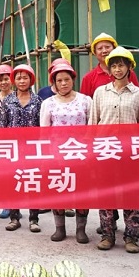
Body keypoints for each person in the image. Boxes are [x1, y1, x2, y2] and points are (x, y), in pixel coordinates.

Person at [80, 33, 139, 238]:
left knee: (131, 191)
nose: (117, 69)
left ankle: (132, 233)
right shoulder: (98, 89)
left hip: (128, 150)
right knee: (106, 191)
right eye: (114, 66)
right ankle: (107, 233)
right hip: (105, 148)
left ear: (129, 67)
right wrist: (90, 147)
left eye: (121, 65)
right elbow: (92, 120)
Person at [39, 61, 91, 244]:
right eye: (59, 80)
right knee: (58, 189)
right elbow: (44, 131)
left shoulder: (85, 100)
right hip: (57, 155)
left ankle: (81, 229)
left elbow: (92, 127)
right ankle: (59, 228)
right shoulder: (48, 103)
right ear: (54, 83)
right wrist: (45, 156)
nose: (63, 83)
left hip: (80, 155)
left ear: (73, 80)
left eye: (66, 79)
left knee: (82, 192)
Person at [0, 64, 43, 233]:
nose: (22, 81)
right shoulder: (8, 101)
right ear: (14, 80)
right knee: (13, 182)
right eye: (18, 78)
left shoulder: (38, 101)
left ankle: (34, 219)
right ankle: (14, 218)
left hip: (32, 149)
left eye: (25, 77)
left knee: (33, 181)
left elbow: (42, 125)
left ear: (31, 79)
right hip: (13, 149)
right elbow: (2, 125)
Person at [0, 64, 15, 219]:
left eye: (6, 79)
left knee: (14, 174)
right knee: (3, 175)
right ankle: (6, 204)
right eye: (0, 80)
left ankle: (14, 205)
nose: (3, 82)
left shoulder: (16, 98)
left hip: (14, 142)